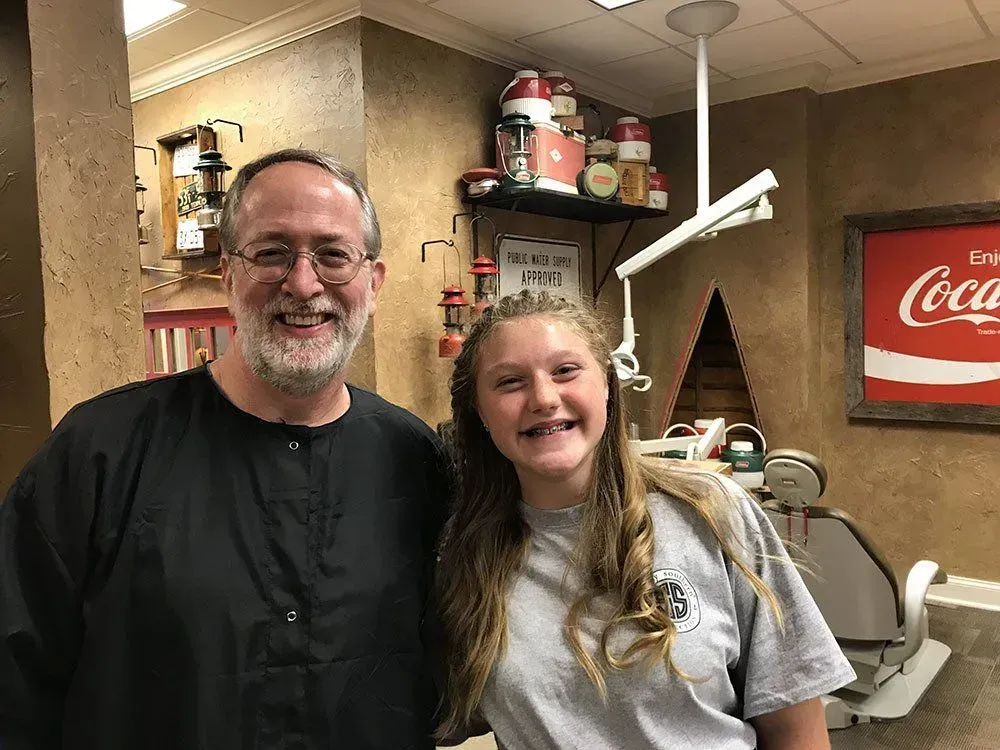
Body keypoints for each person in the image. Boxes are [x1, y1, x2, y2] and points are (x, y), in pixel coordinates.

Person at [0, 149, 450, 749]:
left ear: (374, 280)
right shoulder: (100, 452)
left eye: (333, 255)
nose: (303, 283)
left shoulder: (414, 459)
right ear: (229, 275)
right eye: (271, 253)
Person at [434, 289, 856, 750]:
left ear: (608, 386)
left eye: (565, 371)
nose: (543, 398)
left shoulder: (711, 511)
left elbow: (795, 726)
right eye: (510, 382)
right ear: (479, 410)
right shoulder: (463, 552)